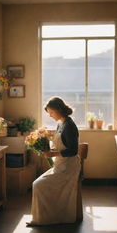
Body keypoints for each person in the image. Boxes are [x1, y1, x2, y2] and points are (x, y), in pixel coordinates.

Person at [27, 97, 81, 226]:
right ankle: (48, 215)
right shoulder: (61, 123)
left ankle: (46, 218)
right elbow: (60, 143)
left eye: (51, 112)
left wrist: (52, 153)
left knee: (38, 185)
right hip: (61, 165)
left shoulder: (69, 126)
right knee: (38, 184)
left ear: (58, 109)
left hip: (69, 168)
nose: (50, 115)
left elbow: (73, 151)